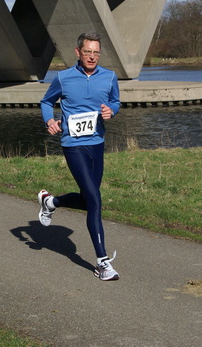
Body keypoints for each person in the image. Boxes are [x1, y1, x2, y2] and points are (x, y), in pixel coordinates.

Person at [38, 31, 121, 281]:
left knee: (89, 200)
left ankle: (51, 202)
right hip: (73, 145)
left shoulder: (109, 77)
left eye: (96, 52)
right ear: (78, 52)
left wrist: (111, 110)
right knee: (95, 201)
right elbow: (45, 102)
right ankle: (102, 262)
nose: (93, 56)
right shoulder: (63, 78)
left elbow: (115, 101)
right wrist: (49, 120)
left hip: (97, 144)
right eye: (88, 52)